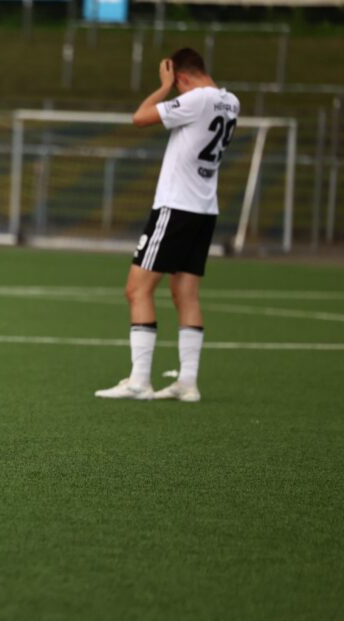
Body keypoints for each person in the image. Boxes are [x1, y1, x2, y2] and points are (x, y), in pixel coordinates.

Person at [95, 48, 240, 403]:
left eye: (177, 85)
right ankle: (187, 382)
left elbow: (140, 118)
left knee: (137, 290)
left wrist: (162, 87)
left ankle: (139, 381)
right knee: (185, 293)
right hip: (205, 209)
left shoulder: (197, 98)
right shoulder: (231, 101)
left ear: (181, 77)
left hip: (176, 207)